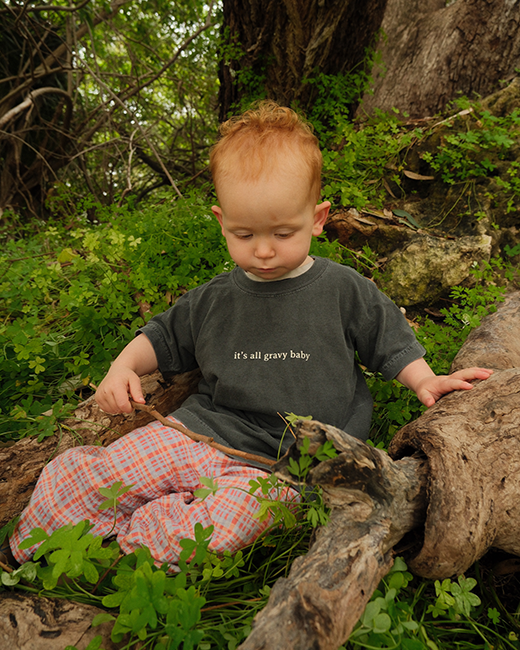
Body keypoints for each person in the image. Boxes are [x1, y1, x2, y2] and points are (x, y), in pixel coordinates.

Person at [8, 101, 492, 568]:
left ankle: (121, 551)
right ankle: (31, 547)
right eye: (245, 235)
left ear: (318, 219)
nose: (263, 250)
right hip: (199, 433)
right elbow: (161, 336)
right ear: (223, 223)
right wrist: (122, 367)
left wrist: (424, 380)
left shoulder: (342, 289)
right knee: (104, 473)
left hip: (289, 466)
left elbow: (386, 337)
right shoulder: (215, 297)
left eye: (282, 233)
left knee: (227, 523)